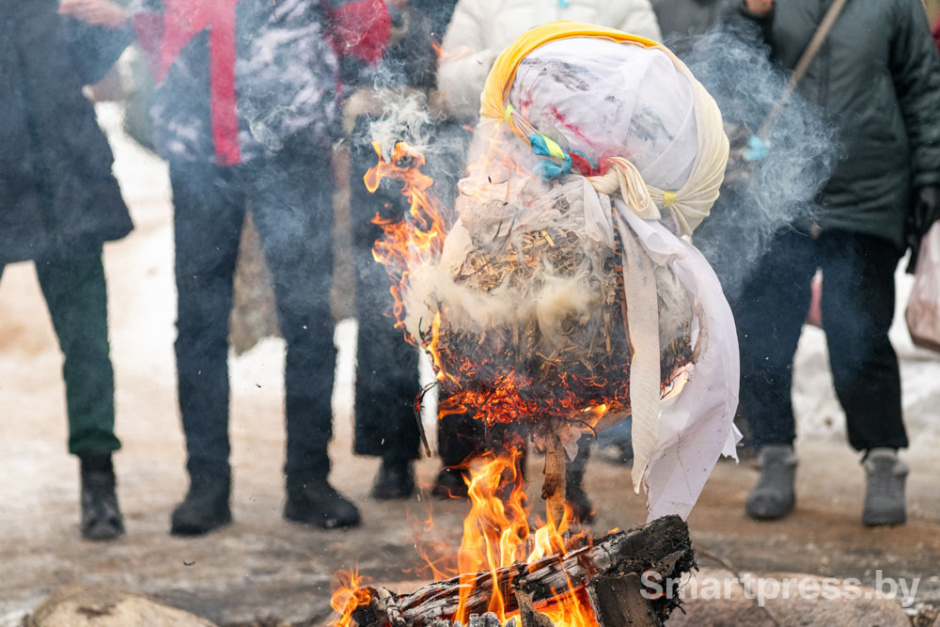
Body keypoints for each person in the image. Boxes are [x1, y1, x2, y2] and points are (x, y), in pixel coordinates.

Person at [94, 0, 397, 535]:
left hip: (294, 145)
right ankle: (206, 485)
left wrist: (337, 88)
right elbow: (145, 16)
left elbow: (361, 20)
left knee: (308, 317)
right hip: (198, 149)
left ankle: (308, 480)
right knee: (199, 324)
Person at [430, 0, 662, 521]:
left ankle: (566, 481)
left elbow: (653, 85)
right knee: (498, 339)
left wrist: (586, 72)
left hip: (588, 195)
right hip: (503, 192)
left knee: (575, 341)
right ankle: (501, 481)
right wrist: (516, 60)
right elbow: (451, 85)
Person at [735, 0, 940, 526]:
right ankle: (775, 454)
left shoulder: (894, 4)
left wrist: (931, 179)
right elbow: (735, 70)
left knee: (861, 335)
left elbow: (923, 88)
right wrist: (752, 17)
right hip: (783, 194)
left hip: (871, 193)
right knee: (763, 333)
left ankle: (884, 461)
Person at [0, 0, 133, 540]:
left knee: (86, 344)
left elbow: (96, 58)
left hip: (65, 186)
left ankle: (98, 480)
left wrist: (107, 15)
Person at [347, 0, 461, 500]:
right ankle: (393, 453)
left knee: (461, 300)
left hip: (453, 144)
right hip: (376, 147)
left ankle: (465, 452)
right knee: (385, 302)